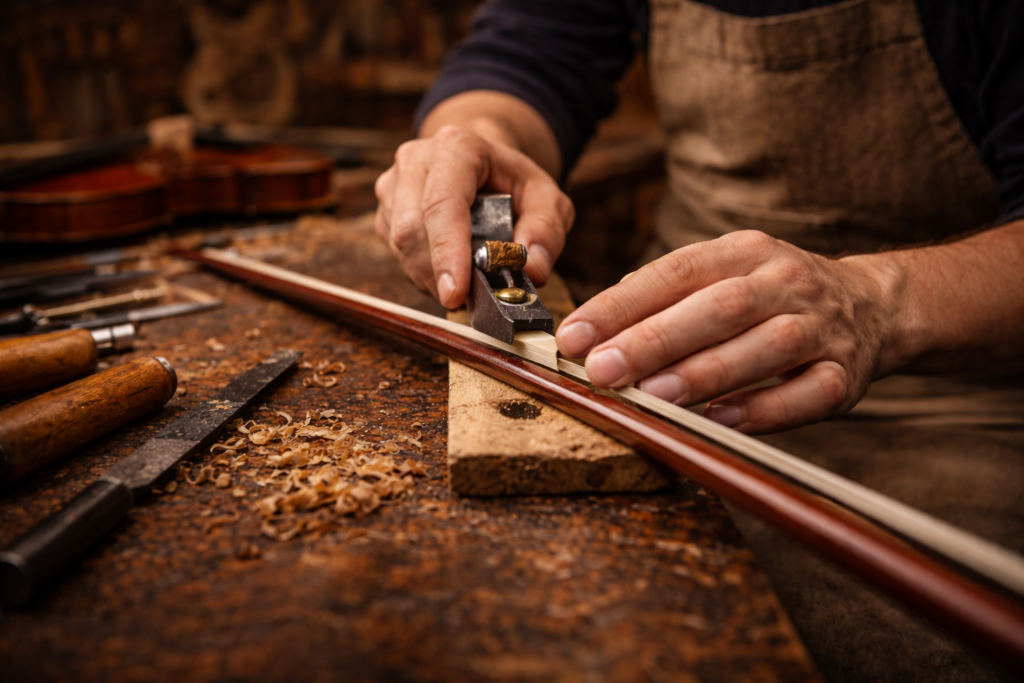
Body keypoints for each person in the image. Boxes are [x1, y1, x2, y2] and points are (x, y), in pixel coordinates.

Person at [373, 0, 1024, 437]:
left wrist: (876, 303)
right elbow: (531, 50)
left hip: (950, 409)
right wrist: (479, 139)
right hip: (661, 376)